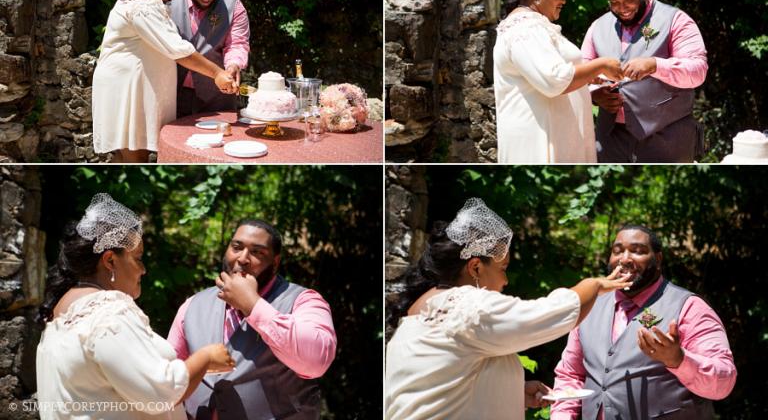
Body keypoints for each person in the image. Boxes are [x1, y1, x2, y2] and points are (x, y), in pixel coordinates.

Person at [385, 198, 632, 420]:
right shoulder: (468, 306)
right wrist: (594, 285)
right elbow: (552, 313)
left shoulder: (421, 308)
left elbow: (444, 384)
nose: (506, 281)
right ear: (475, 268)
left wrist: (515, 392)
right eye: (503, 268)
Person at [36, 193, 235, 420]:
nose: (144, 269)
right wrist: (206, 357)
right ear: (110, 260)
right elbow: (159, 393)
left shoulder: (59, 315)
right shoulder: (108, 311)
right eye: (138, 258)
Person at [550, 224, 737, 420]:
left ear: (658, 259)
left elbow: (724, 383)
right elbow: (570, 375)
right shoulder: (590, 306)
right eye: (617, 251)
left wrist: (679, 360)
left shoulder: (689, 307)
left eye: (638, 251)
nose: (625, 259)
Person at [167, 219, 337, 420]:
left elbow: (317, 361)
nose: (243, 258)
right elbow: (168, 378)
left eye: (257, 252)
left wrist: (252, 305)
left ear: (275, 262)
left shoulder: (303, 301)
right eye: (236, 247)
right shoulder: (193, 305)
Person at [92, 0, 238, 163]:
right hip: (129, 87)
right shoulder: (143, 3)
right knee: (136, 154)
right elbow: (178, 50)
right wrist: (217, 73)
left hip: (130, 83)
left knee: (128, 154)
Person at [494, 0, 625, 163]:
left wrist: (589, 80)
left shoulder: (535, 26)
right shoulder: (524, 29)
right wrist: (601, 65)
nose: (564, 1)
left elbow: (550, 73)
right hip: (540, 141)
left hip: (557, 137)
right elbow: (553, 80)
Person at [584, 0, 708, 163]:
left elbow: (698, 71)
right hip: (610, 138)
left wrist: (655, 65)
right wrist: (594, 94)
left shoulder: (676, 20)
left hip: (667, 138)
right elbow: (582, 72)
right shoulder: (597, 27)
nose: (622, 8)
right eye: (614, 2)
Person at [170, 0, 250, 117]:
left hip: (216, 94)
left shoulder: (234, 6)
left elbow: (237, 44)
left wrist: (233, 65)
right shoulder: (168, 1)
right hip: (172, 92)